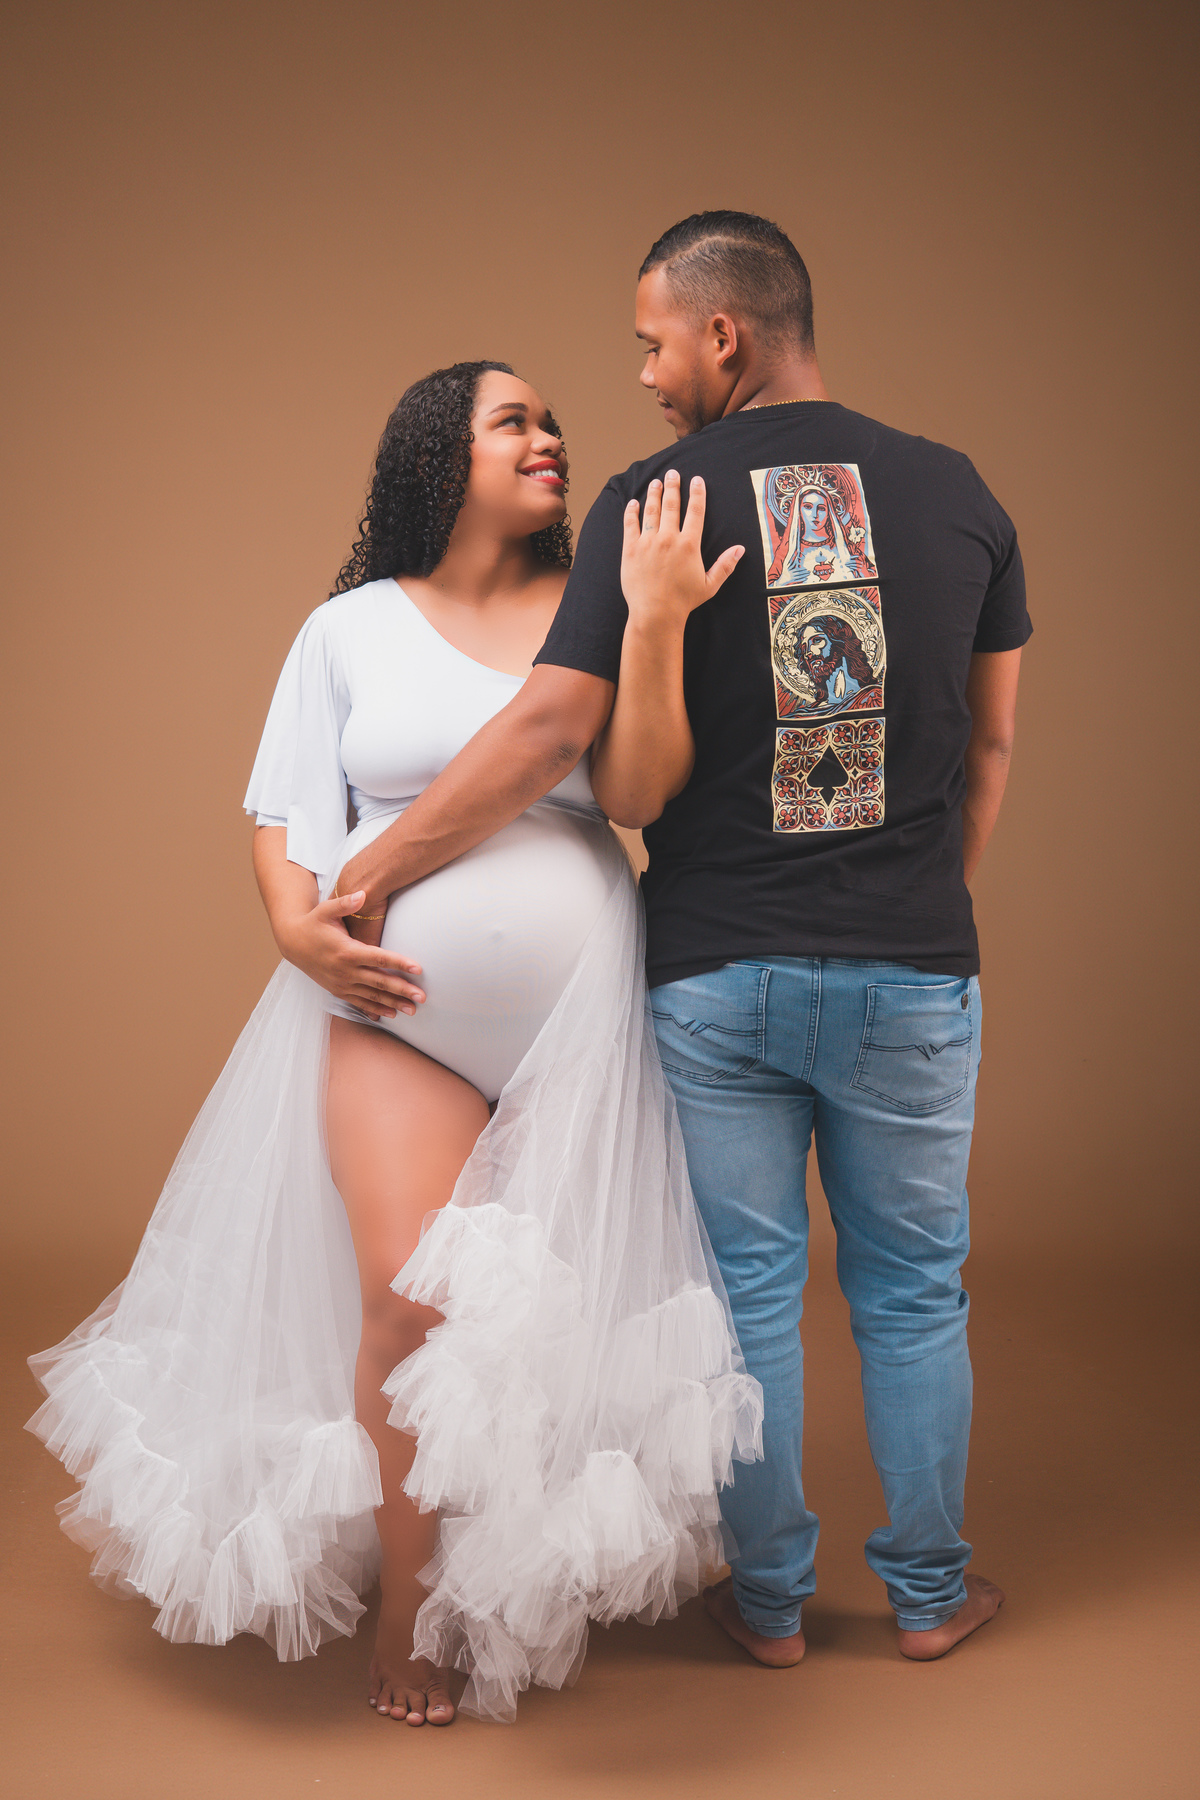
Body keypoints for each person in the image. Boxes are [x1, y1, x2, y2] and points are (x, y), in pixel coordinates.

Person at [330, 212, 1029, 1667]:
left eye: (653, 344)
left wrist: (378, 862)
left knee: (749, 1298)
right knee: (914, 1292)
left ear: (724, 334)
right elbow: (993, 745)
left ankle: (768, 1606)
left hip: (718, 972)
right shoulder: (960, 491)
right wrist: (914, 909)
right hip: (913, 967)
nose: (644, 376)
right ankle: (928, 1596)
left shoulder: (657, 503)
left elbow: (563, 739)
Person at [26, 360, 763, 1728]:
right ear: (437, 456)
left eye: (552, 420)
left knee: (542, 1318)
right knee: (406, 1303)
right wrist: (294, 931)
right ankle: (411, 1607)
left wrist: (655, 620)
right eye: (512, 421)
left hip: (578, 1031)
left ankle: (514, 1570)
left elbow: (639, 794)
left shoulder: (592, 603)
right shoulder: (348, 628)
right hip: (397, 1026)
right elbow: (285, 814)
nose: (549, 438)